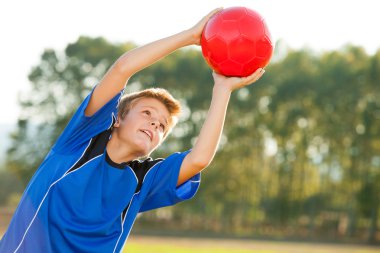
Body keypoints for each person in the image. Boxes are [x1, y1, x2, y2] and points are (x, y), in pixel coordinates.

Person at [0, 7, 265, 253]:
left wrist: (222, 90)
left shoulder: (144, 180)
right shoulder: (80, 142)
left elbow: (199, 159)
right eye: (147, 113)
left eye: (161, 126)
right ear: (116, 119)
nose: (154, 123)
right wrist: (189, 36)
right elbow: (122, 69)